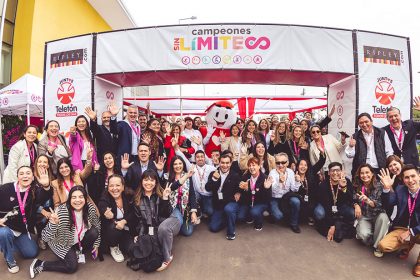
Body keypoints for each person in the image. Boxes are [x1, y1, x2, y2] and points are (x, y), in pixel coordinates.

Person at [29, 186, 101, 278]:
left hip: (77, 239)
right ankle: (40, 264)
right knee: (72, 266)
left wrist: (96, 244)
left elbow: (97, 225)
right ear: (69, 199)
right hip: (61, 242)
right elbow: (45, 237)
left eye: (81, 197)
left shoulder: (90, 208)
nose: (77, 200)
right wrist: (53, 224)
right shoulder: (62, 212)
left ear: (85, 198)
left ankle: (76, 250)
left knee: (94, 232)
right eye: (74, 197)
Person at [0, 166, 50, 274]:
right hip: (5, 227)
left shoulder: (33, 191)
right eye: (21, 173)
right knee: (3, 233)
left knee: (32, 253)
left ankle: (8, 243)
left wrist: (46, 185)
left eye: (28, 173)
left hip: (21, 230)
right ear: (17, 177)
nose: (25, 176)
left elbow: (44, 197)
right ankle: (9, 259)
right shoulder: (5, 189)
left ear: (32, 177)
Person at [131, 170, 179, 272]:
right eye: (146, 180)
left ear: (156, 182)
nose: (149, 183)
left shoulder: (161, 194)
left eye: (152, 180)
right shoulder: (137, 198)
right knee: (143, 250)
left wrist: (165, 198)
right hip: (149, 230)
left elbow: (166, 215)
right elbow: (139, 221)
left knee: (163, 231)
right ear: (141, 181)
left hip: (163, 226)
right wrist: (139, 235)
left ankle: (167, 257)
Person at [378, 165, 420, 277]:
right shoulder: (400, 189)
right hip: (401, 227)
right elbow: (388, 204)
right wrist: (387, 189)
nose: (410, 180)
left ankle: (419, 263)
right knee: (383, 246)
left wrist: (411, 232)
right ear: (403, 179)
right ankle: (408, 244)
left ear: (419, 176)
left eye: (413, 176)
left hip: (418, 228)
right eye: (407, 177)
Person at [226, 157, 272, 233]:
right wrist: (239, 191)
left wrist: (266, 188)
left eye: (253, 165)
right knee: (240, 217)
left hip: (260, 202)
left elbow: (267, 198)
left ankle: (259, 223)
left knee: (255, 212)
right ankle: (250, 216)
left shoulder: (265, 178)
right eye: (249, 165)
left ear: (259, 166)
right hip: (248, 202)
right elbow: (240, 187)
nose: (251, 167)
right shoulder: (246, 176)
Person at [353, 164, 389, 257]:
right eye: (362, 173)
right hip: (365, 216)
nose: (364, 175)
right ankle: (376, 236)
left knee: (384, 218)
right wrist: (356, 205)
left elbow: (380, 205)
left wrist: (368, 201)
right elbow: (352, 198)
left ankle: (378, 246)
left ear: (372, 173)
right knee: (363, 236)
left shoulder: (379, 185)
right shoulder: (357, 185)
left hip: (378, 214)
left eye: (367, 172)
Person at [98, 174, 133, 263]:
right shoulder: (105, 196)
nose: (114, 188)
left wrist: (124, 221)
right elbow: (102, 204)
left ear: (122, 187)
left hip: (125, 230)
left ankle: (121, 244)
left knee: (132, 250)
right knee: (113, 226)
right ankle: (113, 246)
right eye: (111, 186)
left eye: (117, 185)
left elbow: (133, 213)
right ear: (108, 187)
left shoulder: (128, 195)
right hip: (111, 232)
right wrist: (106, 212)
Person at [175, 145, 216, 219]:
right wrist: (175, 147)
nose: (200, 158)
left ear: (204, 158)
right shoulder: (191, 167)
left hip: (208, 195)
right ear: (195, 158)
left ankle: (204, 209)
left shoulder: (211, 168)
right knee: (192, 196)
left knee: (210, 211)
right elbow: (181, 156)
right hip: (197, 194)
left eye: (202, 156)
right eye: (197, 157)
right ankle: (197, 210)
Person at [317, 162, 355, 242]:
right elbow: (326, 206)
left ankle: (340, 223)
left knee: (352, 213)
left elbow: (350, 198)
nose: (335, 173)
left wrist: (343, 187)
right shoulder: (324, 185)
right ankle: (333, 223)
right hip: (328, 206)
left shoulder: (346, 181)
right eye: (332, 171)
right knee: (320, 214)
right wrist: (332, 225)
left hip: (341, 206)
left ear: (341, 172)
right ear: (329, 173)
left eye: (337, 170)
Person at [205, 154, 241, 237]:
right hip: (219, 204)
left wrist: (239, 192)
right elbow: (207, 188)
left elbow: (240, 187)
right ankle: (226, 219)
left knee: (228, 209)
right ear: (219, 163)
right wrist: (214, 179)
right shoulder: (213, 173)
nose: (225, 165)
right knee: (213, 228)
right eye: (223, 163)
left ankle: (231, 232)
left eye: (227, 163)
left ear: (231, 163)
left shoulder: (235, 175)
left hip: (230, 202)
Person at [268, 153, 301, 233]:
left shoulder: (290, 172)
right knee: (278, 216)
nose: (280, 165)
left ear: (287, 163)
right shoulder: (272, 173)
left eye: (283, 162)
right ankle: (271, 212)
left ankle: (294, 223)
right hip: (275, 198)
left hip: (286, 197)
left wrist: (297, 181)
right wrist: (279, 182)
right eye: (278, 163)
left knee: (296, 201)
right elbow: (272, 191)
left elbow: (294, 189)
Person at [165, 156, 198, 236]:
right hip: (173, 206)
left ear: (183, 164)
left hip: (185, 206)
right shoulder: (167, 176)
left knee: (188, 232)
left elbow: (192, 194)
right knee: (179, 221)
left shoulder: (187, 176)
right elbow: (172, 187)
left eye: (180, 163)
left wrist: (193, 212)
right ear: (172, 166)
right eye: (175, 164)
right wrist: (186, 176)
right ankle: (177, 221)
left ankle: (188, 219)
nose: (178, 166)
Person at [295, 155, 326, 226]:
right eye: (301, 165)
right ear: (297, 166)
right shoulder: (294, 176)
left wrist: (321, 152)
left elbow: (321, 162)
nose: (303, 167)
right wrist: (297, 181)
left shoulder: (311, 173)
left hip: (313, 201)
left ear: (307, 167)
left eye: (305, 165)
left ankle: (312, 216)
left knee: (319, 213)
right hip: (301, 202)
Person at [33, 155, 54, 250]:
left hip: (50, 206)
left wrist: (47, 185)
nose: (42, 164)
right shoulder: (31, 179)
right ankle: (41, 237)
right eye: (40, 161)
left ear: (48, 165)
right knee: (42, 218)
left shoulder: (52, 178)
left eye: (45, 162)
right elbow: (31, 201)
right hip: (36, 209)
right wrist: (42, 211)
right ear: (36, 164)